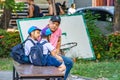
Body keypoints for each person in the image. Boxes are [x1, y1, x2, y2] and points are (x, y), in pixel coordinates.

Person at [44, 15, 74, 80]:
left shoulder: (59, 30)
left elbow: (59, 40)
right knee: (61, 63)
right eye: (53, 23)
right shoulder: (45, 31)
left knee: (69, 62)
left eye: (57, 24)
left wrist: (58, 49)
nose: (54, 26)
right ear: (49, 22)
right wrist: (56, 56)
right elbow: (45, 46)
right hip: (47, 55)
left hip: (55, 53)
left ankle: (62, 78)